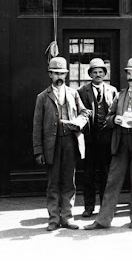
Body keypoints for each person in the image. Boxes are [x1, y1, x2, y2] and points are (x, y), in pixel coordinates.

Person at [84, 58, 132, 230]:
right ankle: (103, 220)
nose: (131, 77)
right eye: (129, 74)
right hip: (120, 142)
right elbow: (107, 118)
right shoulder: (119, 95)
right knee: (113, 181)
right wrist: (115, 119)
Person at [33, 57, 90, 231]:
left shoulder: (73, 93)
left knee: (68, 181)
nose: (59, 76)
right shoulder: (42, 97)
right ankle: (53, 218)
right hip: (52, 145)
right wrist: (38, 151)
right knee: (52, 183)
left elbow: (85, 112)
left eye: (62, 73)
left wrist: (80, 121)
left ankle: (67, 217)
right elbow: (37, 126)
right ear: (50, 74)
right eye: (56, 73)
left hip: (70, 143)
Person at [78, 58, 118, 218]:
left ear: (104, 74)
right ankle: (89, 207)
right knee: (88, 174)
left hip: (107, 140)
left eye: (101, 72)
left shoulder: (112, 91)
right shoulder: (82, 91)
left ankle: (105, 206)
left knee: (106, 173)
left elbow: (115, 113)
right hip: (89, 139)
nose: (98, 74)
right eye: (94, 72)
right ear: (90, 74)